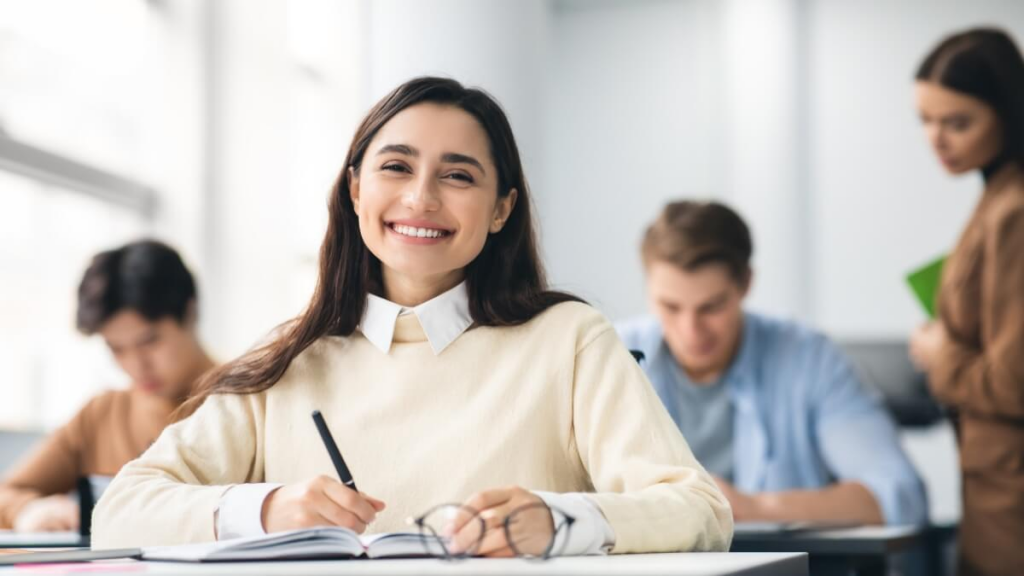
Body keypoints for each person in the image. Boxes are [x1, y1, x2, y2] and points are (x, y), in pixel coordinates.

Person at [92, 77, 732, 556]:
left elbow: (700, 509)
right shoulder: (292, 356)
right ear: (355, 190)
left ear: (501, 209)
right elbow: (120, 512)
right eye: (396, 167)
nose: (421, 198)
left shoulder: (569, 340)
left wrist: (562, 521)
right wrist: (269, 507)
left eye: (458, 175)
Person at [617, 201, 927, 526]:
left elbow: (900, 494)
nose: (690, 331)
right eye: (670, 306)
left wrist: (750, 508)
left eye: (712, 306)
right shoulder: (611, 353)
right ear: (648, 288)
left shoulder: (810, 358)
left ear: (746, 283)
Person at [909, 27, 1024, 576]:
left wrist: (939, 355)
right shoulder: (996, 198)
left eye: (957, 122)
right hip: (995, 478)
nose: (937, 139)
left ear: (1007, 113)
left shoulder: (1015, 212)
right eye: (926, 120)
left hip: (1011, 491)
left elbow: (1013, 381)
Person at [0, 240, 215, 532]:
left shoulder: (250, 401)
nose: (135, 365)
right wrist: (27, 510)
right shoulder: (102, 413)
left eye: (149, 341)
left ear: (190, 313)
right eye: (116, 348)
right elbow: (7, 493)